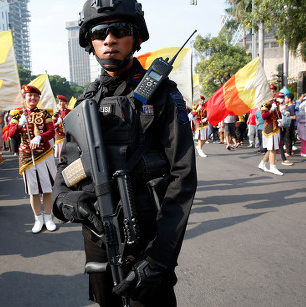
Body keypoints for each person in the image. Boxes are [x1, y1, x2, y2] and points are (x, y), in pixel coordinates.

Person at [52, 1, 197, 305]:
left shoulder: (162, 95)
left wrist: (159, 258)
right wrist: (71, 203)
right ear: (90, 43)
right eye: (99, 32)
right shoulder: (84, 103)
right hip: (99, 237)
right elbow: (65, 174)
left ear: (137, 37)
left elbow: (182, 178)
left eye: (119, 30)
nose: (109, 39)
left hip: (148, 238)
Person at [6, 85, 57, 233]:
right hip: (27, 156)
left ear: (38, 98)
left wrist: (40, 137)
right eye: (29, 96)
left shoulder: (45, 113)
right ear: (24, 98)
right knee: (33, 190)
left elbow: (51, 131)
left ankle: (48, 217)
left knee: (47, 188)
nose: (32, 98)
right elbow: (10, 134)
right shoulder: (16, 115)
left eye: (35, 96)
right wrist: (19, 124)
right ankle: (38, 218)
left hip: (44, 153)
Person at [258, 99, 283, 175]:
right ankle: (273, 167)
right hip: (269, 128)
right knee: (272, 148)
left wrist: (280, 119)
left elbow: (278, 115)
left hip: (275, 127)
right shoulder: (265, 103)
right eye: (271, 91)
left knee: (272, 147)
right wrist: (271, 109)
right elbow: (264, 116)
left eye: (274, 91)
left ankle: (262, 163)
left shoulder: (276, 102)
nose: (273, 93)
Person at [53, 94, 71, 160]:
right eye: (60, 101)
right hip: (59, 135)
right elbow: (52, 126)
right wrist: (57, 123)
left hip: (67, 133)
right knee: (60, 154)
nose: (61, 103)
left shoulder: (69, 111)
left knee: (68, 152)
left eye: (63, 101)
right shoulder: (56, 113)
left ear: (66, 103)